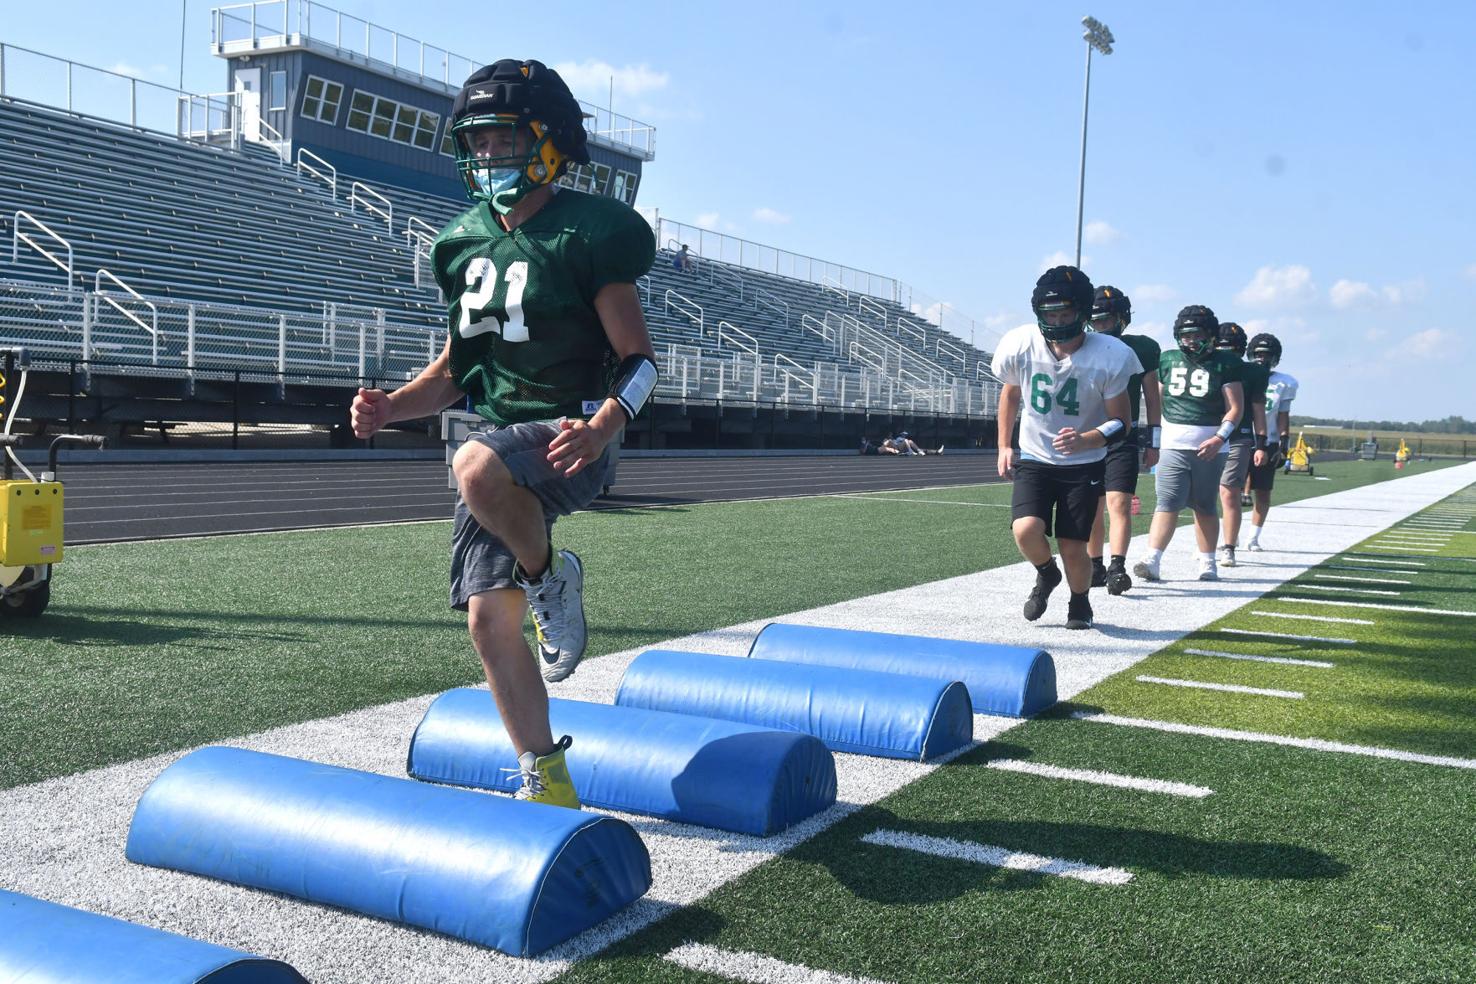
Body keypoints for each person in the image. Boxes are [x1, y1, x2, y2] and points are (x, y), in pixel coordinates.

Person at [350, 59, 657, 809]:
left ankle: (553, 576)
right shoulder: (460, 244)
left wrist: (606, 423)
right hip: (498, 439)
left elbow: (642, 363)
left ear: (550, 144)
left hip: (569, 432)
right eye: (478, 143)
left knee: (474, 464)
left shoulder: (590, 232)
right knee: (490, 624)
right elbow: (460, 368)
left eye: (505, 139)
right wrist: (392, 406)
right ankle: (547, 781)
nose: (489, 156)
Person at [992, 266, 1138, 630]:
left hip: (1083, 463)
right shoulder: (1021, 343)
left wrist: (1087, 439)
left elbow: (1123, 421)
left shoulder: (1109, 353)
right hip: (1036, 456)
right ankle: (1046, 573)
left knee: (1074, 545)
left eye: (1065, 314)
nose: (1056, 321)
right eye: (1050, 314)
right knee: (1025, 530)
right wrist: (1003, 445)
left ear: (1083, 313)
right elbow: (1010, 394)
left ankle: (1080, 602)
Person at [1132, 306, 1244, 582]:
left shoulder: (1226, 362)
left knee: (1205, 504)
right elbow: (1156, 402)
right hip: (1173, 443)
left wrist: (1219, 438)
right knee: (1167, 502)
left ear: (1210, 334)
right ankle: (1153, 560)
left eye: (1197, 334)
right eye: (1186, 335)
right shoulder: (1168, 360)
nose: (1191, 341)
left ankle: (1208, 562)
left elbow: (1235, 408)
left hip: (1210, 446)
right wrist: (1153, 439)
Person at [1083, 285, 1161, 595]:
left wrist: (1154, 440)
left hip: (1122, 434)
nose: (1101, 326)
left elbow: (1152, 397)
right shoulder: (1082, 345)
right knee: (1091, 506)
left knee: (1118, 503)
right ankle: (1095, 564)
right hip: (1088, 436)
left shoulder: (1141, 347)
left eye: (1106, 320)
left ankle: (1117, 565)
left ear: (1121, 318)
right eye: (1096, 320)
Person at [1213, 322, 1267, 568]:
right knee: (1204, 494)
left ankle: (1229, 547)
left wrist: (1262, 443)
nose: (1227, 355)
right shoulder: (1208, 365)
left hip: (1238, 435)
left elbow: (1258, 409)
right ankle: (1208, 543)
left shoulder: (1253, 373)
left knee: (1229, 492)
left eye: (1232, 350)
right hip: (1208, 435)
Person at [1244, 333, 1299, 551]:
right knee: (1228, 490)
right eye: (1258, 354)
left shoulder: (1284, 382)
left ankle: (1253, 537)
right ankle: (1227, 537)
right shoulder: (1243, 375)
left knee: (1264, 491)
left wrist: (1284, 443)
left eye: (1267, 355)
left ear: (1275, 357)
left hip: (1269, 441)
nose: (1262, 359)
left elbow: (1283, 414)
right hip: (1242, 437)